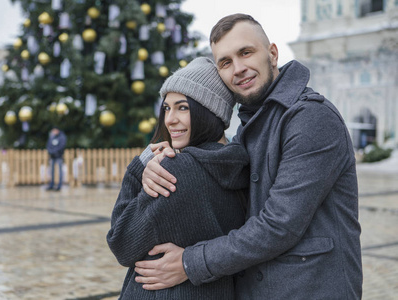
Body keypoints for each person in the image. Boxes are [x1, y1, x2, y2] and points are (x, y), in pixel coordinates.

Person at [135, 14, 363, 299]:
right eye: (226, 62)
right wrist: (152, 162)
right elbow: (214, 166)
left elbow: (279, 225)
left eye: (246, 52)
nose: (238, 69)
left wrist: (188, 262)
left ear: (273, 53)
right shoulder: (250, 126)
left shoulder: (311, 118)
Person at [107, 57, 251, 299]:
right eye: (167, 107)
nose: (170, 119)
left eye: (182, 107)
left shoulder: (177, 170)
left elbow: (121, 243)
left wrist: (138, 168)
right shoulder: (240, 166)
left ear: (209, 110)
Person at [46, 127, 67, 191]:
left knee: (60, 171)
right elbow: (48, 145)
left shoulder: (62, 137)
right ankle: (51, 184)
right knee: (51, 171)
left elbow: (61, 146)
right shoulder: (52, 137)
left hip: (59, 156)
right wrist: (51, 151)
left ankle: (59, 185)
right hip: (52, 156)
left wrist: (55, 151)